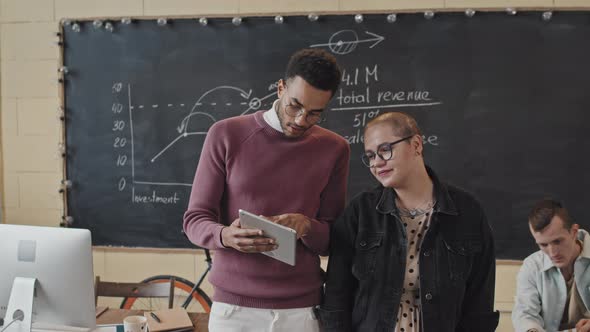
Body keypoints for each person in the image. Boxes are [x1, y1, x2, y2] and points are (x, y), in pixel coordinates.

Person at [183, 48, 350, 331]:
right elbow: (195, 220)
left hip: (302, 310)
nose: (300, 120)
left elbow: (334, 239)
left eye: (314, 114)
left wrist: (307, 226)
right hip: (234, 311)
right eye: (294, 106)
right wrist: (225, 235)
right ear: (281, 88)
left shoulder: (335, 149)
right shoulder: (226, 134)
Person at [319, 112, 499, 331]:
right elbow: (336, 299)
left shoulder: (467, 212)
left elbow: (479, 305)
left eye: (385, 150)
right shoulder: (360, 213)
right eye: (370, 156)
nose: (377, 163)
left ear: (416, 145)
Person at [512, 199, 590, 332]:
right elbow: (525, 314)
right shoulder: (531, 266)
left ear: (574, 232)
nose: (552, 252)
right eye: (543, 245)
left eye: (558, 241)